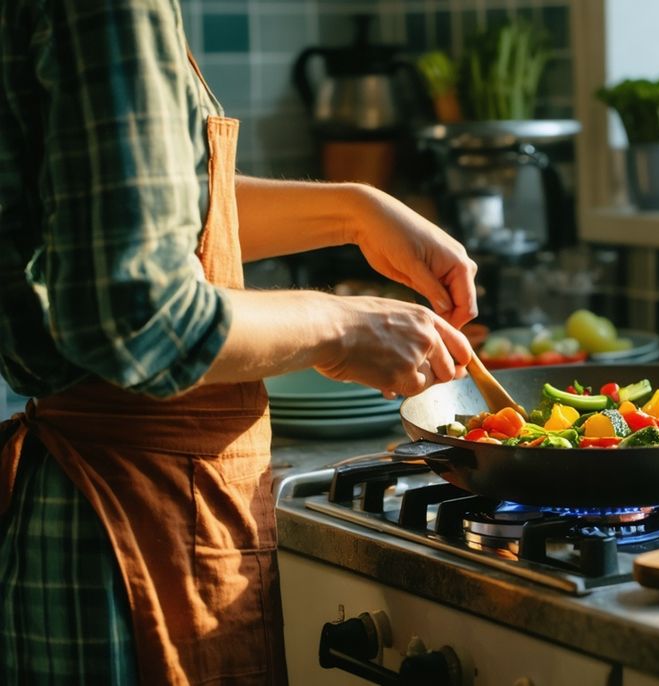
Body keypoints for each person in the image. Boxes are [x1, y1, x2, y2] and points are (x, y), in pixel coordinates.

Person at [0, 1, 477, 683]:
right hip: (128, 528)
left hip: (122, 511)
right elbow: (142, 317)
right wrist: (342, 326)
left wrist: (354, 211)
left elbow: (133, 222)